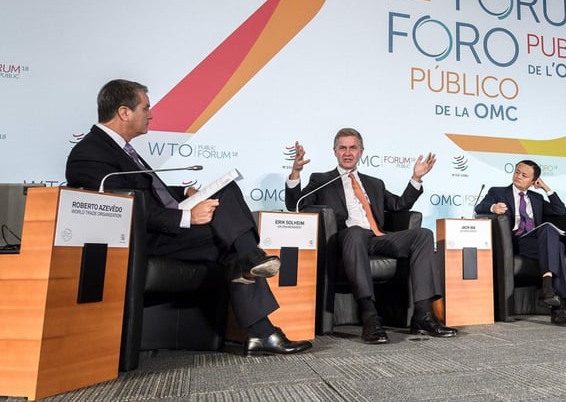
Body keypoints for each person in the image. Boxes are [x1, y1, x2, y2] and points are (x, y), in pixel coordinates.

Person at [66, 79, 311, 356]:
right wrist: (186, 218)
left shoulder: (120, 149)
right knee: (229, 241)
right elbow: (125, 207)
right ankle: (258, 309)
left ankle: (254, 285)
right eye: (146, 108)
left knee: (226, 191)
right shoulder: (89, 154)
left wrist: (184, 191)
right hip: (147, 237)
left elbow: (147, 190)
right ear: (124, 112)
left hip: (167, 227)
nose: (151, 114)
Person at [284, 128, 456, 343]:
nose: (347, 153)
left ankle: (423, 314)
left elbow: (398, 205)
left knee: (423, 235)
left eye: (353, 148)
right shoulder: (322, 179)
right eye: (342, 148)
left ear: (361, 151)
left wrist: (416, 178)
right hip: (347, 239)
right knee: (355, 233)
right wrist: (295, 173)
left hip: (377, 238)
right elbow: (295, 205)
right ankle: (370, 316)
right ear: (335, 152)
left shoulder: (374, 183)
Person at [474, 160, 566, 326]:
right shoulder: (498, 192)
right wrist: (493, 207)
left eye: (524, 175)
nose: (518, 176)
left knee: (551, 236)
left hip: (537, 242)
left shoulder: (536, 197)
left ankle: (548, 290)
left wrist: (546, 188)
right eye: (517, 172)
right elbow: (480, 207)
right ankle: (558, 307)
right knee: (557, 246)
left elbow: (560, 211)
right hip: (516, 242)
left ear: (533, 181)